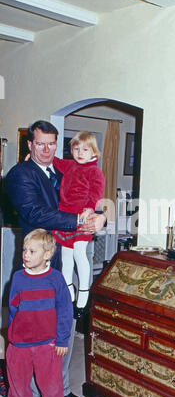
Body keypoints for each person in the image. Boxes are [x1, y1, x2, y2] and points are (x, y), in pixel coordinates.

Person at [5, 120, 106, 397]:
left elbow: (91, 193)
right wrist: (79, 220)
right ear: (30, 145)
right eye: (40, 144)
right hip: (37, 267)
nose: (47, 150)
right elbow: (36, 213)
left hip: (66, 262)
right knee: (34, 334)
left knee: (63, 329)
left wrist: (100, 216)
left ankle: (59, 392)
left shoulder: (66, 169)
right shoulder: (19, 175)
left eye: (51, 144)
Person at [6, 229, 73, 397]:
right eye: (24, 250)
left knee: (51, 383)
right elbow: (13, 309)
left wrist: (62, 340)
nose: (25, 254)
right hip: (19, 344)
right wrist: (13, 337)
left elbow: (65, 311)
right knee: (17, 383)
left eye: (32, 251)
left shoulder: (56, 279)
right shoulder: (18, 278)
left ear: (47, 254)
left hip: (48, 343)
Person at [52, 131, 105, 319]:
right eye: (76, 149)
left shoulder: (94, 171)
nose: (80, 153)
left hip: (84, 215)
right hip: (65, 216)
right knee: (65, 256)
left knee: (79, 253)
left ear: (94, 153)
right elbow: (55, 161)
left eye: (85, 149)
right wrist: (33, 158)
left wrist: (89, 209)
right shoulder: (70, 166)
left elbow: (97, 192)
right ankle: (69, 294)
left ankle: (84, 296)